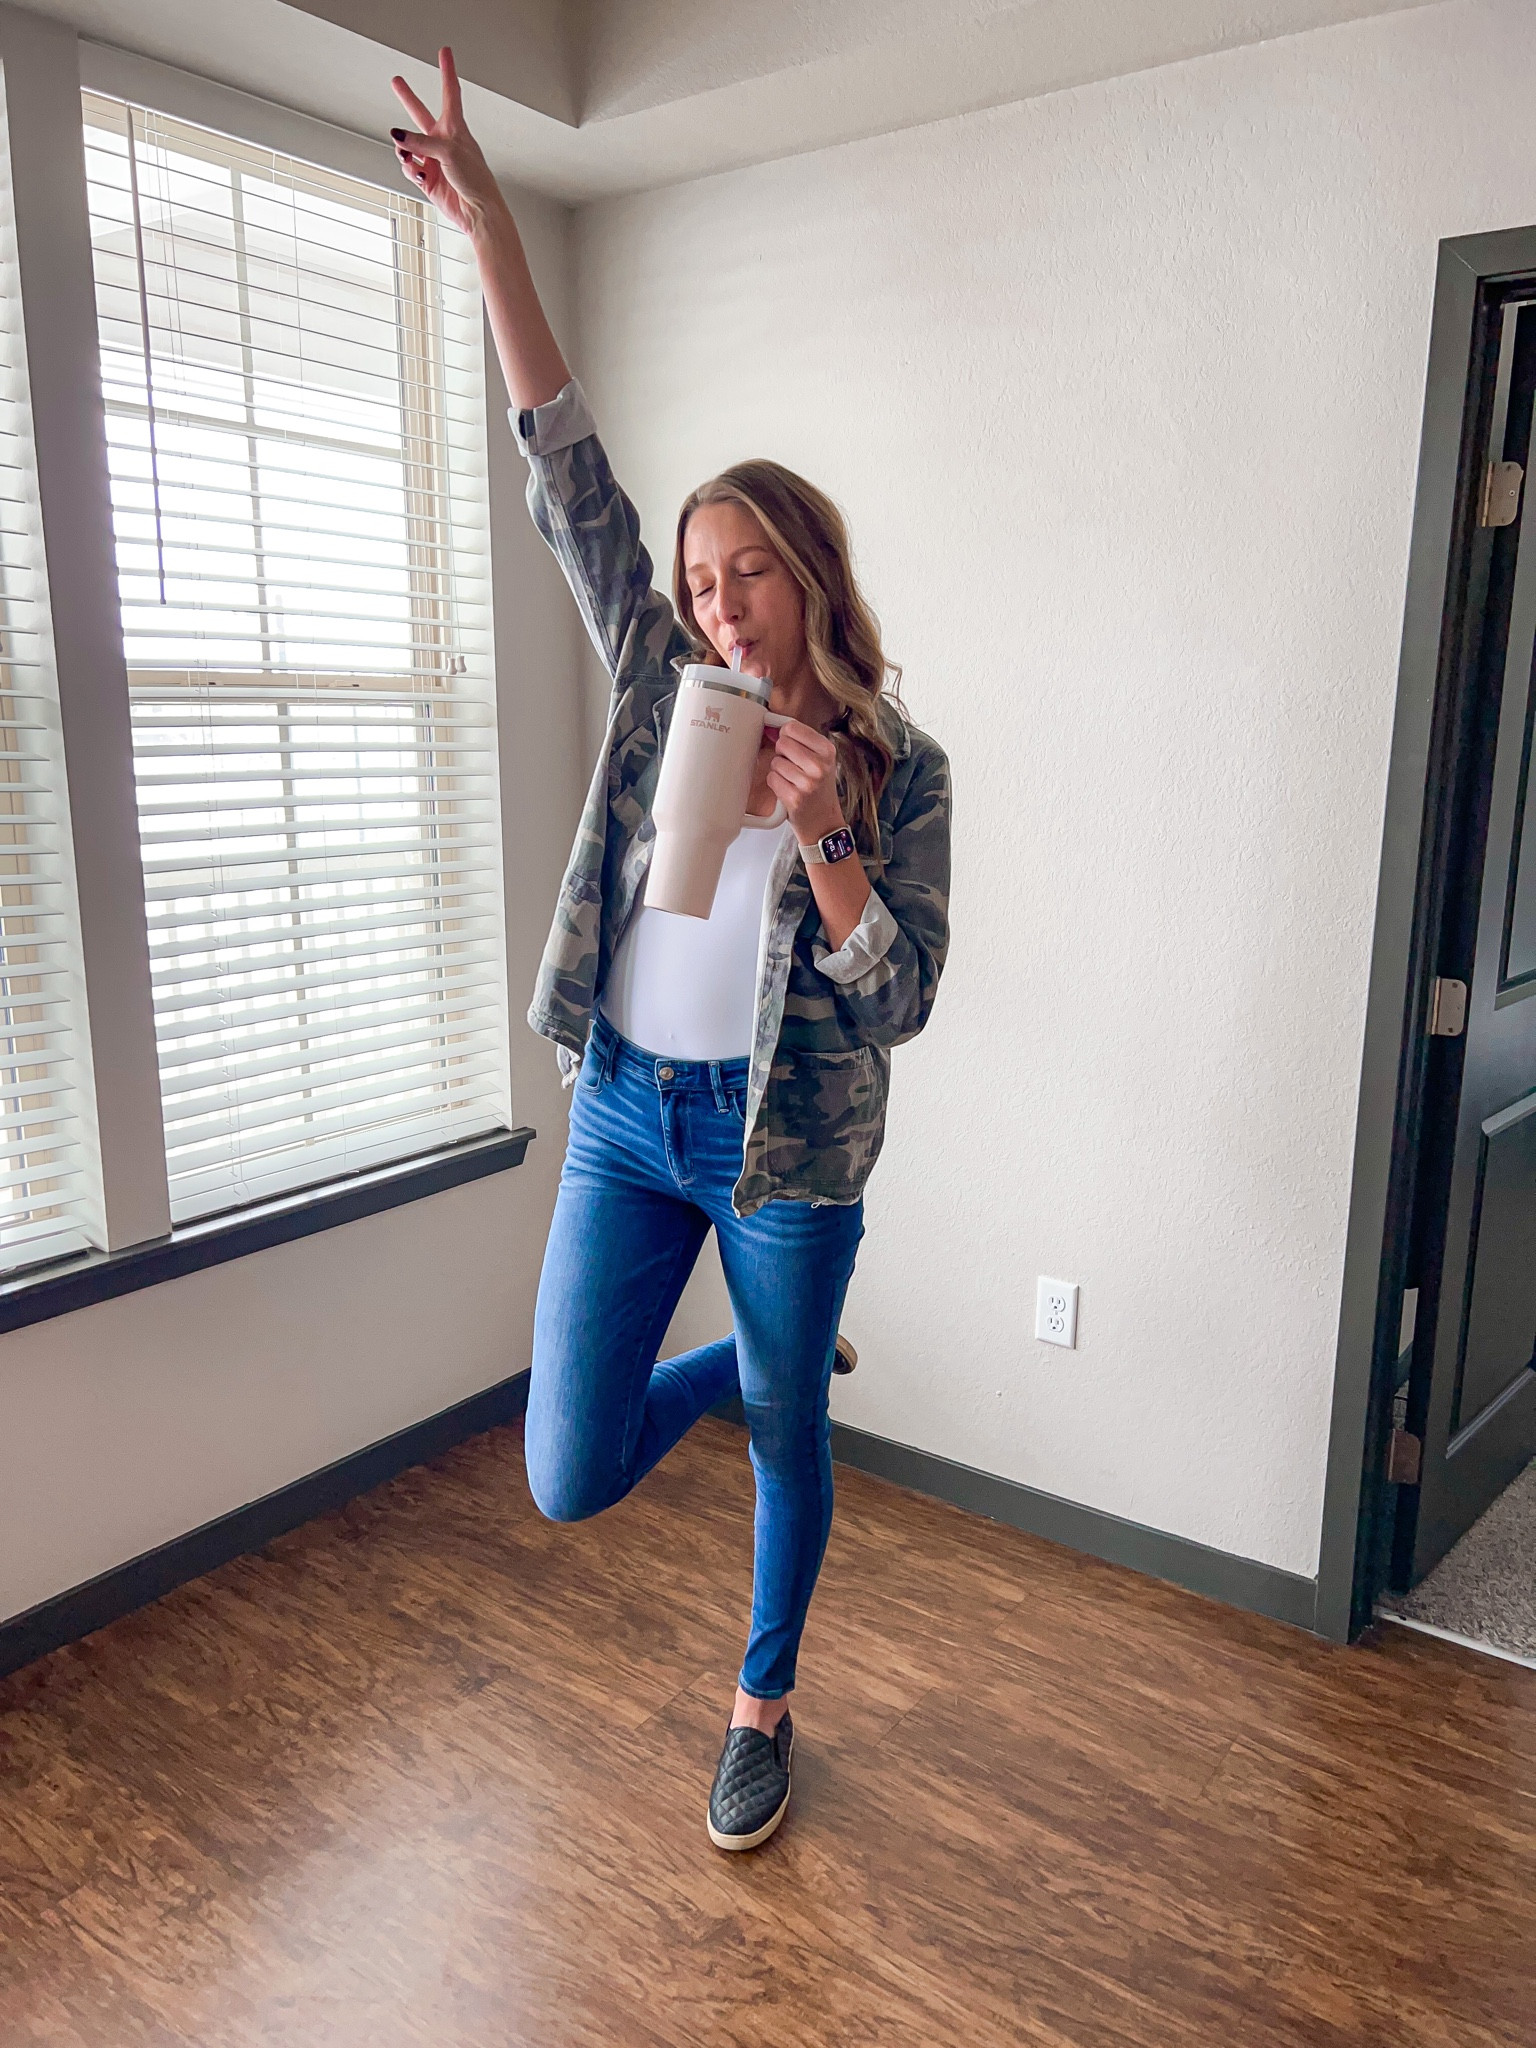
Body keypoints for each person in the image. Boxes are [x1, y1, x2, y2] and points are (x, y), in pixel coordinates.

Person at [389, 48, 951, 1853]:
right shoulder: (660, 684)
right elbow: (566, 472)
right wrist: (489, 227)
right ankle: (748, 1370)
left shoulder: (900, 765)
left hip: (790, 1151)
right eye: (701, 582)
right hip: (630, 1112)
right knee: (567, 1473)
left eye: (746, 574)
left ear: (810, 572)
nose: (718, 604)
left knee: (792, 1449)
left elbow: (903, 1001)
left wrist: (829, 835)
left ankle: (760, 1706)